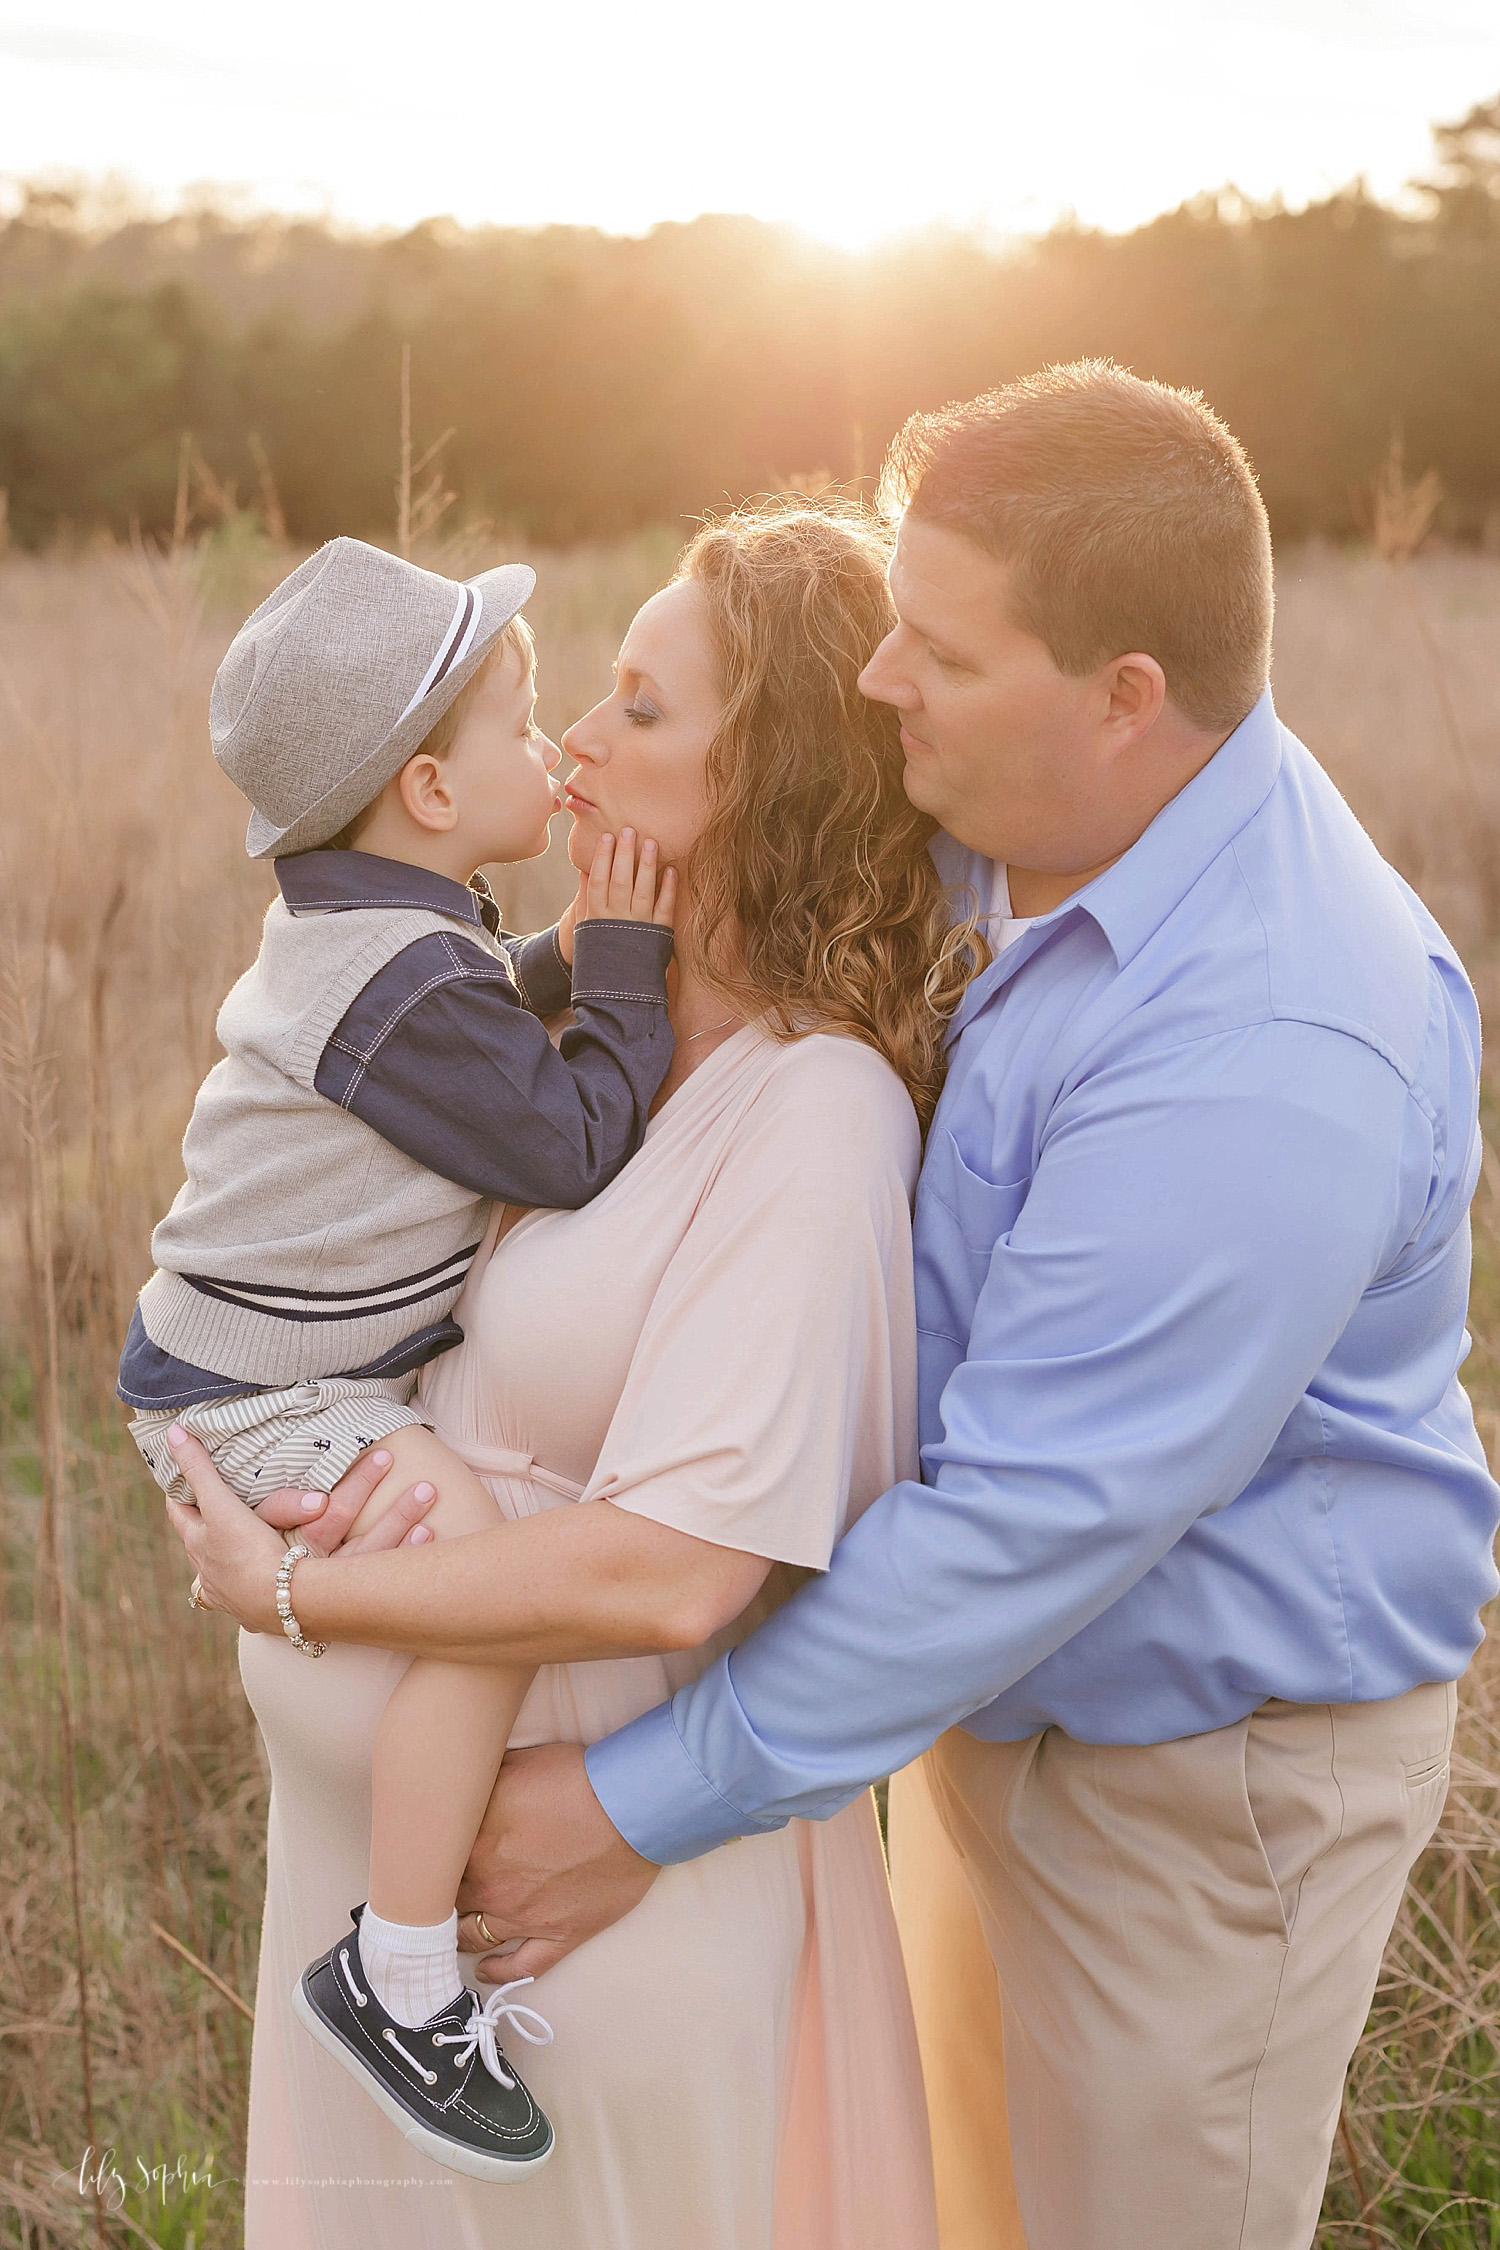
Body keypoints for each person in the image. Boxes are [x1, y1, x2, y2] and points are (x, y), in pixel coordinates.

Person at [447, 365, 1500, 2250]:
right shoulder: (1034, 818)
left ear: (1123, 698)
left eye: (936, 647)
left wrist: (628, 1797)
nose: (878, 683)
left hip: (1204, 1782)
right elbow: (784, 829)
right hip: (980, 1706)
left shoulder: (1271, 1039)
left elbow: (1032, 1518)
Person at [164, 501, 976, 2249]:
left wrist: (297, 1585)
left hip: (571, 1948)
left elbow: (685, 1569)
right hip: (393, 1906)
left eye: (642, 707)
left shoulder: (810, 1109)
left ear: (777, 785)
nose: (582, 745)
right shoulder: (565, 1036)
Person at [121, 534, 678, 2178]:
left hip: (237, 1372)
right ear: (432, 792)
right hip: (260, 1403)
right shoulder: (401, 982)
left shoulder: (375, 935)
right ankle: (402, 1963)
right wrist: (630, 965)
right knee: (483, 1581)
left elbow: (482, 1011)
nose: (558, 746)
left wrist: (566, 952)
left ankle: (400, 1953)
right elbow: (567, 1137)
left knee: (474, 1569)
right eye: (523, 726)